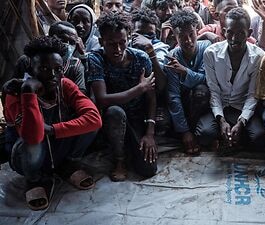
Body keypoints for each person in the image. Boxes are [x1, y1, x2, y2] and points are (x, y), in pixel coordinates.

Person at [2, 36, 102, 210]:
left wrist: (53, 129)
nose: (53, 75)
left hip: (58, 147)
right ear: (30, 70)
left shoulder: (64, 85)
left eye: (58, 69)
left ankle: (67, 165)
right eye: (44, 68)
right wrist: (28, 92)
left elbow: (94, 118)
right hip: (27, 155)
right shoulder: (16, 95)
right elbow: (33, 136)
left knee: (88, 125)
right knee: (32, 142)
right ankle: (34, 179)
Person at [87, 12, 157, 181]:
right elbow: (102, 100)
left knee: (148, 169)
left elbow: (151, 98)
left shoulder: (141, 58)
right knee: (115, 112)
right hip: (109, 119)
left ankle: (130, 145)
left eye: (122, 43)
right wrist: (139, 88)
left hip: (136, 117)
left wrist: (150, 133)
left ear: (129, 39)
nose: (118, 49)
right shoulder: (96, 59)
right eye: (111, 44)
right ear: (102, 41)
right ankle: (119, 159)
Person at [197, 7, 265, 150]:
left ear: (249, 33)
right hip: (219, 107)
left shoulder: (258, 56)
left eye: (241, 33)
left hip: (242, 107)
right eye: (230, 32)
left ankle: (233, 136)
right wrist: (221, 120)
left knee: (259, 138)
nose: (235, 38)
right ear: (223, 32)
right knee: (204, 134)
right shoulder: (211, 53)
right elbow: (214, 91)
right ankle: (226, 135)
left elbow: (253, 95)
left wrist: (241, 122)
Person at [165, 9, 211, 155]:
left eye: (191, 34)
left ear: (197, 30)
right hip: (184, 106)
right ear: (175, 36)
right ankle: (185, 133)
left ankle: (197, 131)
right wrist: (185, 131)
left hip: (203, 104)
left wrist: (185, 71)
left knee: (201, 91)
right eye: (182, 37)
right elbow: (173, 96)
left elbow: (207, 79)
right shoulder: (172, 57)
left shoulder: (207, 48)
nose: (188, 41)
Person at [14, 21, 87, 94]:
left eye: (72, 43)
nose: (67, 45)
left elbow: (80, 93)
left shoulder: (75, 65)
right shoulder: (27, 60)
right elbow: (12, 88)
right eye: (63, 40)